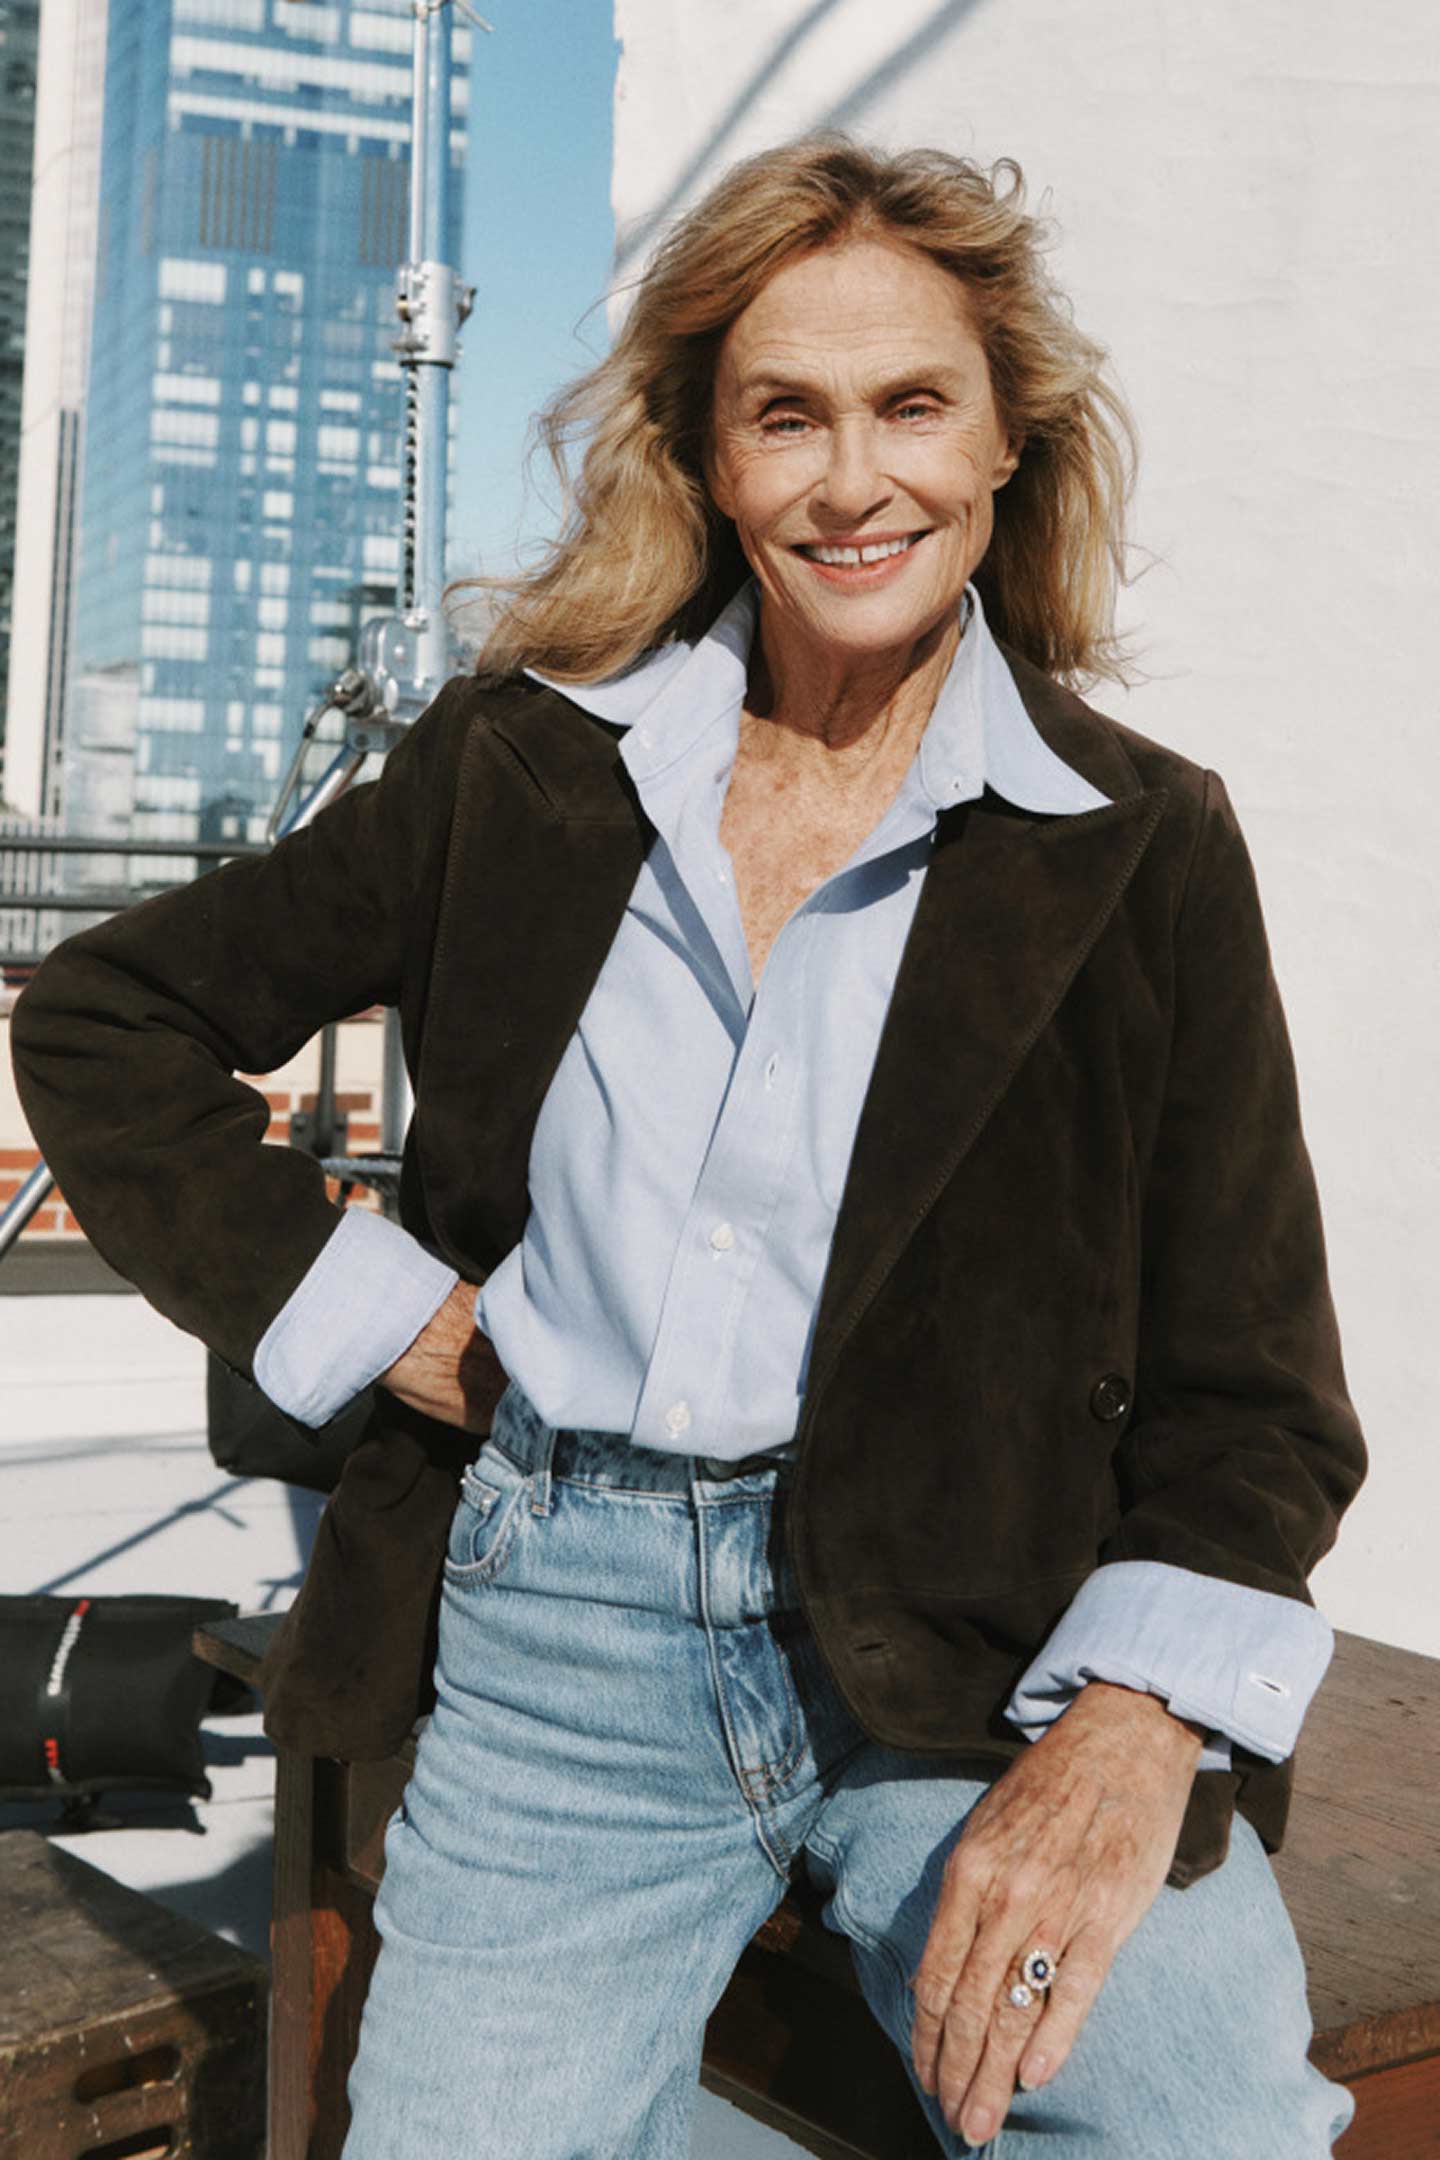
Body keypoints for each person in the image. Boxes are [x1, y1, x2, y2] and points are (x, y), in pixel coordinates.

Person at [12, 138, 1367, 2157]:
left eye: (913, 405)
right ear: (709, 459)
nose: (853, 480)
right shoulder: (519, 767)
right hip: (568, 1637)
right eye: (785, 415)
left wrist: (1133, 1724)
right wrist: (391, 1318)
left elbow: (1255, 1397)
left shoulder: (1137, 845)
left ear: (1006, 441)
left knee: (1207, 2134)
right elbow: (110, 1022)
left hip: (983, 1644)